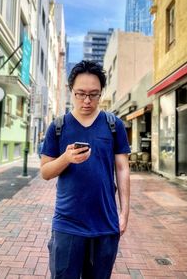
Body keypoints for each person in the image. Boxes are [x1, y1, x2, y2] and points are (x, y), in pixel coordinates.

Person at [40, 60, 130, 279]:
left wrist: (124, 213)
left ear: (101, 94)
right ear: (71, 91)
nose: (87, 100)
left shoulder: (114, 125)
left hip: (105, 223)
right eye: (80, 93)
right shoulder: (59, 126)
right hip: (67, 224)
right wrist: (66, 158)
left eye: (94, 94)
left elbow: (122, 169)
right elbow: (45, 172)